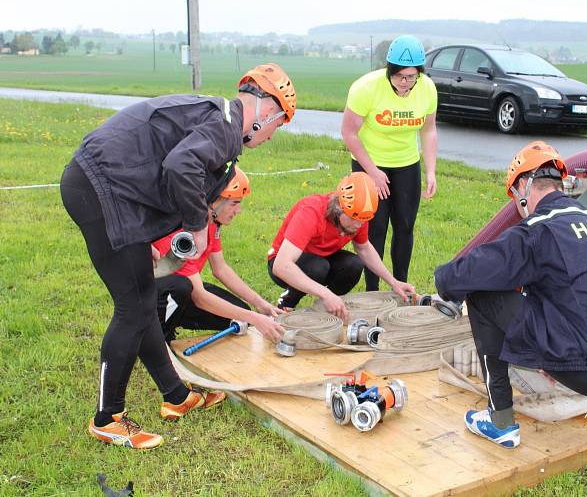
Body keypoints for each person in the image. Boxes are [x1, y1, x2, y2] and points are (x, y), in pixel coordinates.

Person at [60, 63, 295, 449]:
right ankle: (107, 419)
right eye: (279, 124)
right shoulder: (225, 126)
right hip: (99, 188)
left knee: (140, 302)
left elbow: (164, 166)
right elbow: (180, 164)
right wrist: (198, 224)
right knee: (133, 308)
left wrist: (148, 237)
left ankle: (175, 395)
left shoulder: (218, 119)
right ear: (267, 110)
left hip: (113, 192)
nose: (273, 134)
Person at [433, 142, 587, 448]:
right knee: (567, 314)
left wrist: (444, 281)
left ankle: (500, 421)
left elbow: (479, 267)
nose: (516, 204)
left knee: (482, 293)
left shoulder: (541, 228)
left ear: (524, 185)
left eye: (515, 196)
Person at [341, 35, 439, 291]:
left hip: (406, 164)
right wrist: (373, 172)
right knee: (375, 230)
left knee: (405, 226)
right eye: (399, 76)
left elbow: (429, 130)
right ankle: (373, 291)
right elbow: (349, 133)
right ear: (389, 70)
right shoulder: (365, 88)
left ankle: (401, 285)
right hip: (369, 163)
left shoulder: (427, 88)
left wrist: (430, 171)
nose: (405, 83)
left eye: (411, 77)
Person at [154, 167, 284, 343]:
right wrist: (255, 318)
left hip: (186, 287)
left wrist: (261, 305)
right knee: (181, 287)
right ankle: (159, 337)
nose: (238, 211)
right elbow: (199, 297)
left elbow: (221, 269)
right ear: (213, 201)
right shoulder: (184, 231)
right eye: (234, 203)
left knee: (239, 314)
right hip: (154, 293)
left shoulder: (211, 222)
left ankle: (174, 317)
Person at [269, 172, 416, 319]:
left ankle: (326, 309)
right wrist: (326, 293)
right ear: (339, 208)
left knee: (354, 265)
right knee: (318, 268)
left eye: (363, 221)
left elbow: (364, 249)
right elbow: (281, 266)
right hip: (284, 262)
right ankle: (285, 306)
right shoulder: (311, 212)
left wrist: (394, 282)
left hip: (322, 258)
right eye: (354, 219)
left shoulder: (359, 216)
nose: (358, 225)